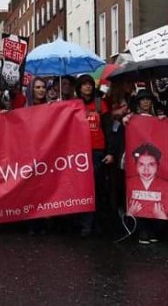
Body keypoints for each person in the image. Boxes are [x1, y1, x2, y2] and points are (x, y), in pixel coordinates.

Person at [126, 143, 168, 244]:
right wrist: (130, 214)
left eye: (151, 164)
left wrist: (164, 217)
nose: (146, 170)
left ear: (158, 165)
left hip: (161, 229)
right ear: (135, 165)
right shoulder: (128, 184)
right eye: (141, 164)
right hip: (136, 228)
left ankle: (154, 232)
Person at [75, 75, 114, 237]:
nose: (87, 87)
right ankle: (85, 225)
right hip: (80, 152)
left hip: (98, 151)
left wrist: (110, 152)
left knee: (97, 189)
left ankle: (97, 225)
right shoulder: (74, 105)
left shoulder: (100, 104)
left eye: (89, 84)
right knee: (82, 190)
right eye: (84, 85)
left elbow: (108, 128)